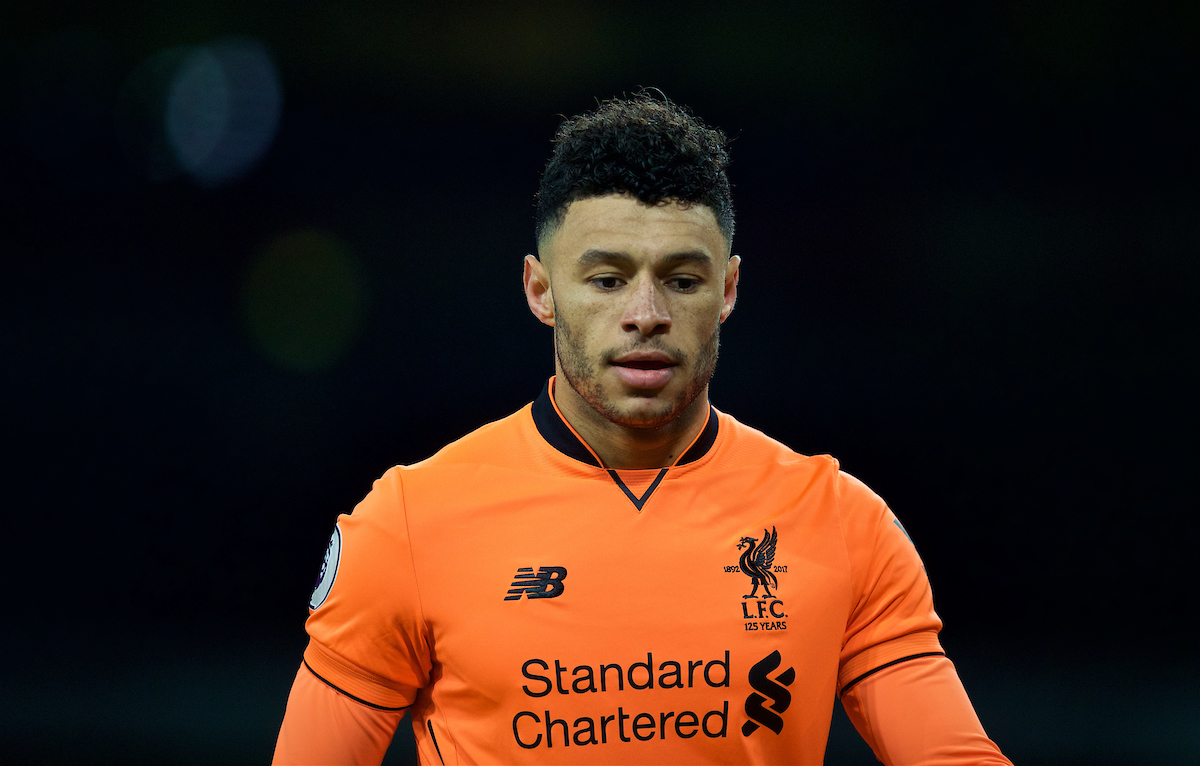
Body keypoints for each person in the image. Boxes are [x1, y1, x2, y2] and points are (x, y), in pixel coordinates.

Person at [273, 94, 1012, 765]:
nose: (646, 313)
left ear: (728, 291)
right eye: (606, 279)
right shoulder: (409, 524)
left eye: (683, 280)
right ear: (540, 290)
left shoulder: (842, 524)